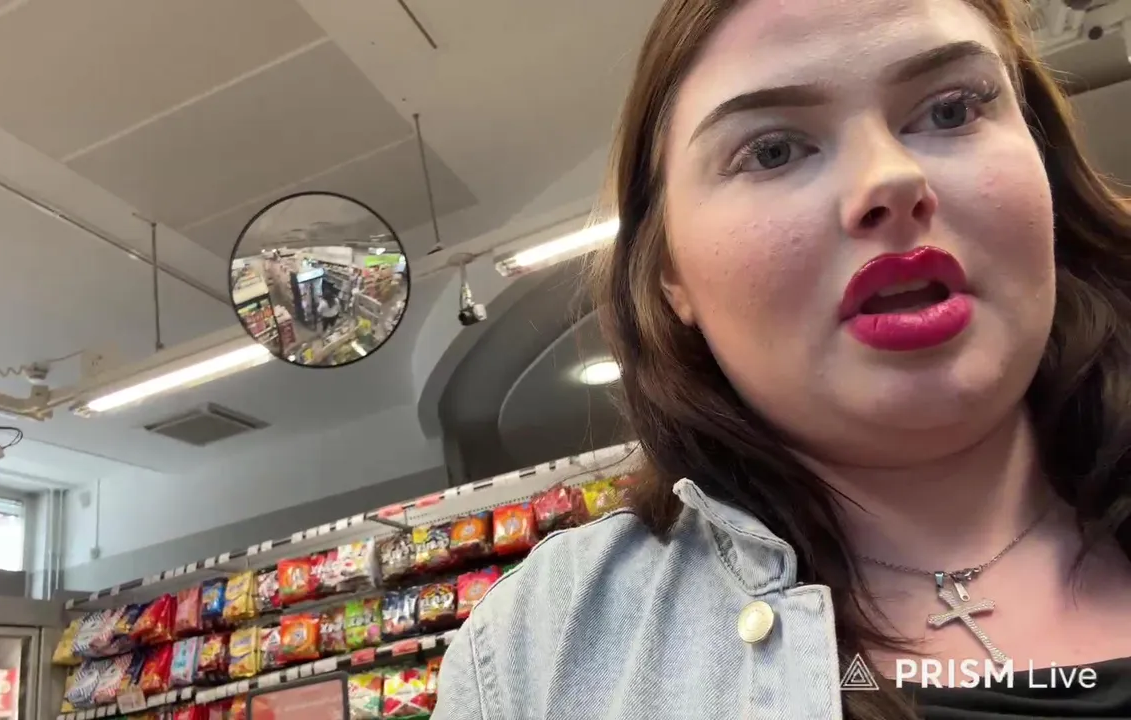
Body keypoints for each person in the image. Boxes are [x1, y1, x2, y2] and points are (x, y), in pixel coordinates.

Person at [433, 0, 1131, 718]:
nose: (889, 179)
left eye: (951, 110)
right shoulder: (545, 649)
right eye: (772, 151)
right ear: (670, 271)